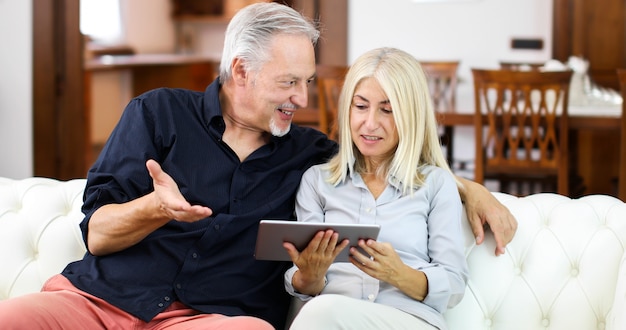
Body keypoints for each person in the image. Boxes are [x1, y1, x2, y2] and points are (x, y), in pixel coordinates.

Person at [0, 2, 515, 329]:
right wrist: (157, 208)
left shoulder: (310, 156)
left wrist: (471, 189)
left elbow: (386, 154)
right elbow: (98, 236)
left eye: (308, 82)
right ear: (241, 70)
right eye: (289, 82)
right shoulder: (157, 114)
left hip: (212, 320)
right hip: (99, 301)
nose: (302, 97)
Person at [284, 47, 468, 330]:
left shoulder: (436, 184)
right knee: (322, 310)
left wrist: (399, 274)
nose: (370, 123)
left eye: (387, 110)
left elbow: (454, 284)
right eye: (360, 106)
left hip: (408, 321)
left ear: (410, 115)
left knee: (321, 312)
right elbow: (307, 285)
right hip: (331, 320)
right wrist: (309, 275)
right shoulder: (317, 182)